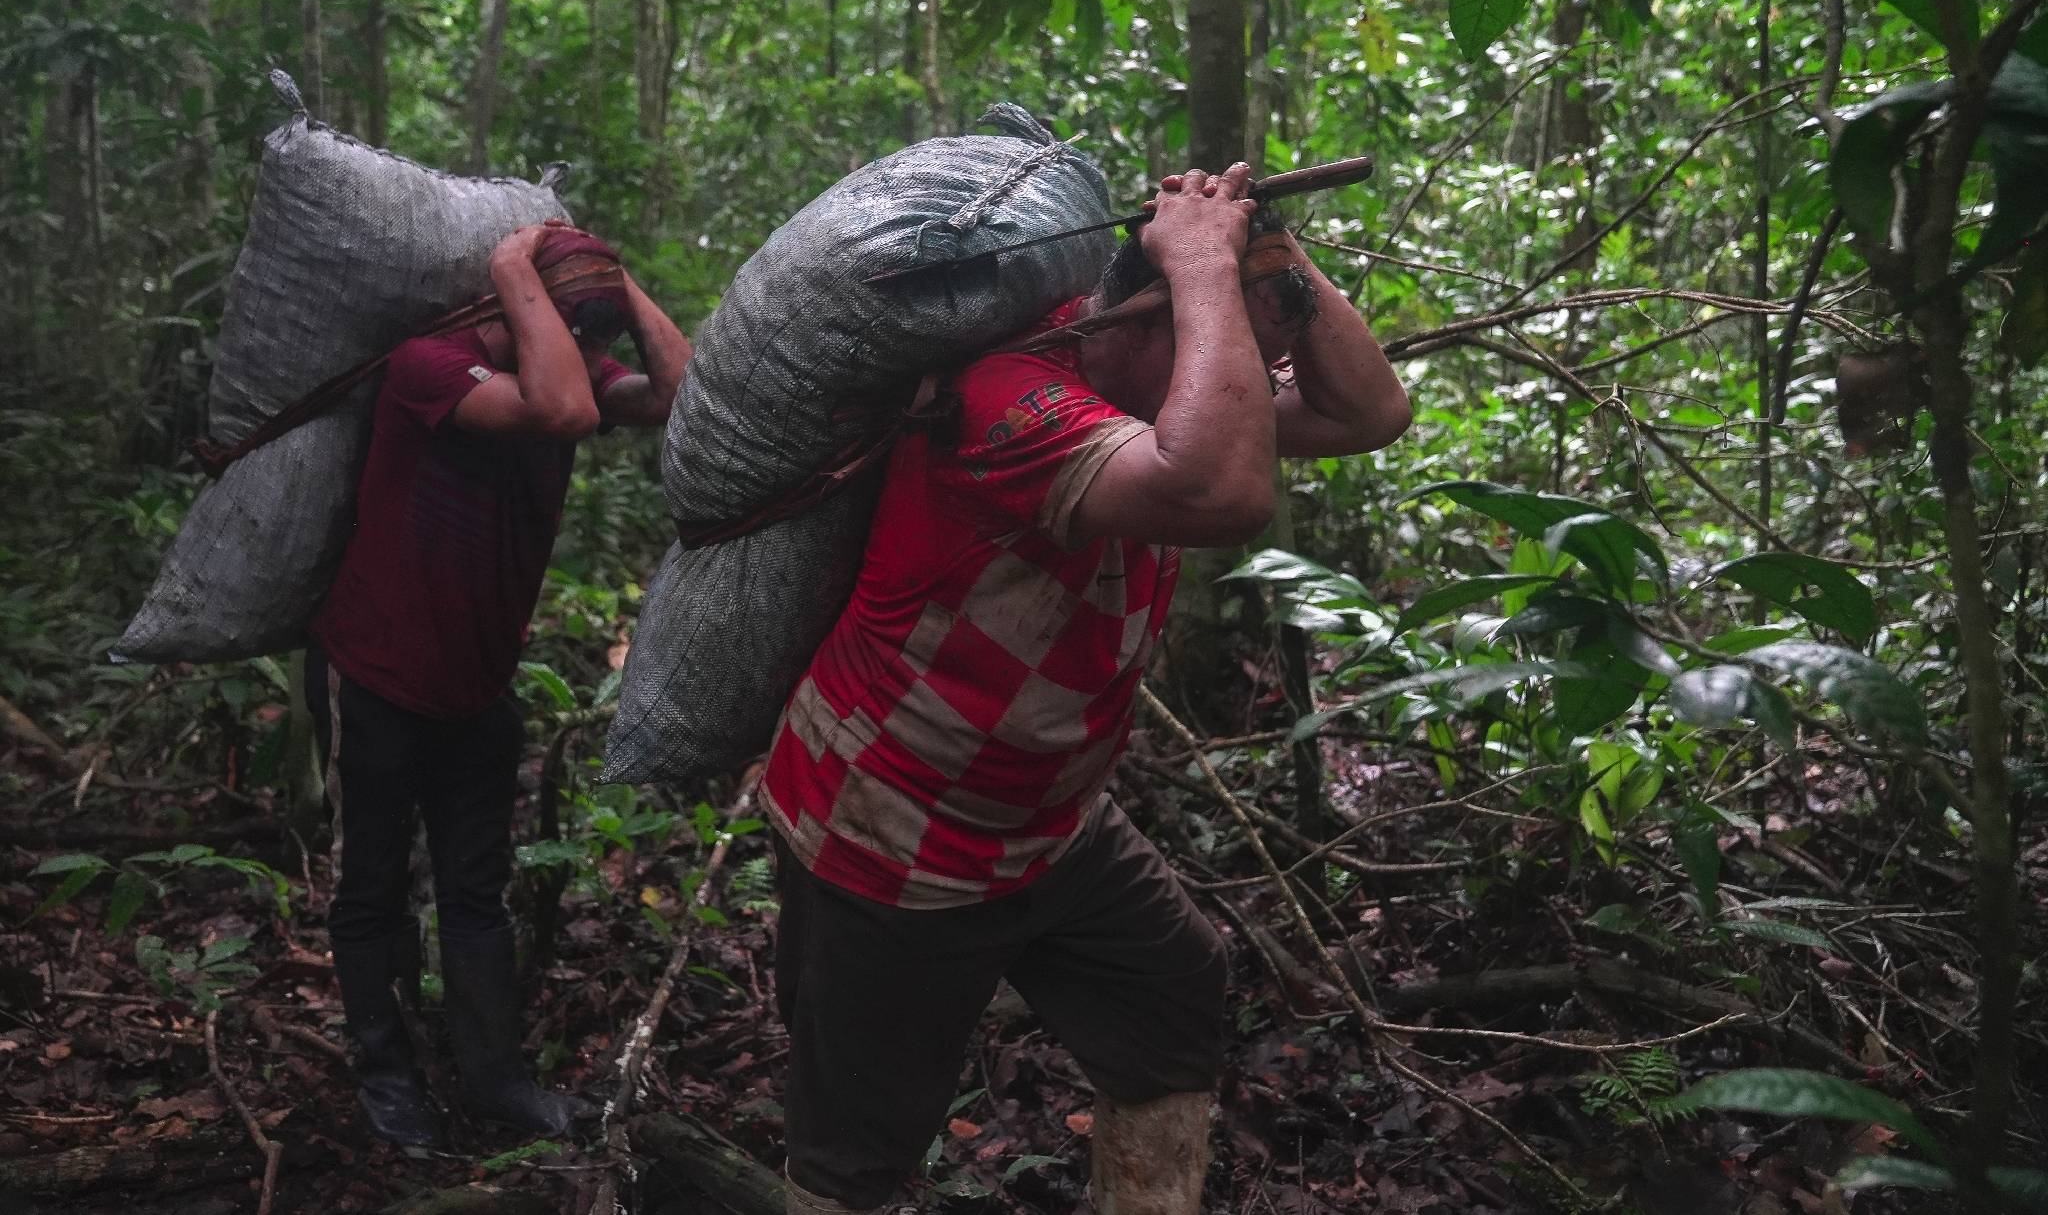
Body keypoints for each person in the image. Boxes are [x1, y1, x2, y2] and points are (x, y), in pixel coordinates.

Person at [760, 163, 1412, 1215]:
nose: (1251, 377)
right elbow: (1223, 488)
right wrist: (1200, 260)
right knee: (854, 1153)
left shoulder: (1166, 381)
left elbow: (1372, 408)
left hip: (1044, 823)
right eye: (1231, 346)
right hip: (896, 830)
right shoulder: (1003, 397)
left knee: (1169, 998)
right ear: (1154, 317)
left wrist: (1264, 244)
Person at [308, 223, 690, 1148]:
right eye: (575, 332)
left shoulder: (568, 367)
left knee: (476, 891)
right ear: (507, 306)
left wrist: (616, 277)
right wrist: (516, 264)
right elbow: (559, 410)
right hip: (375, 676)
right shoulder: (425, 364)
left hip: (476, 685)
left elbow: (682, 392)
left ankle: (494, 1081)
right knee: (372, 889)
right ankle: (390, 1086)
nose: (593, 360)